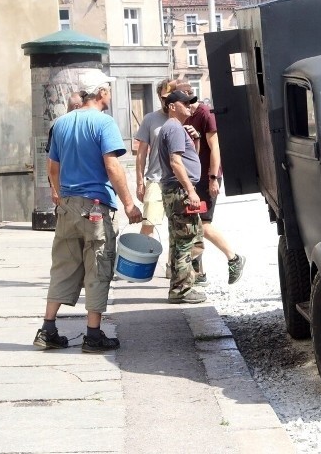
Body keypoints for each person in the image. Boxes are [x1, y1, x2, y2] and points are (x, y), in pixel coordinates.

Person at [33, 69, 142, 353]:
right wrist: (129, 204)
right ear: (101, 92)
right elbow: (112, 166)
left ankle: (48, 329)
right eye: (108, 88)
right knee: (98, 265)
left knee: (63, 266)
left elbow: (52, 167)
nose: (110, 93)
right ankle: (93, 335)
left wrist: (58, 194)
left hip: (67, 206)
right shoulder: (104, 123)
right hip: (94, 206)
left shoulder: (61, 123)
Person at [182, 85, 246, 286]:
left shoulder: (205, 114)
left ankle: (234, 257)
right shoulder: (188, 116)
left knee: (203, 224)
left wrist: (212, 178)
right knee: (194, 223)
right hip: (196, 178)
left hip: (208, 176)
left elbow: (215, 147)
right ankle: (199, 273)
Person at [158, 89, 207, 304]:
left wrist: (194, 141)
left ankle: (183, 285)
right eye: (185, 102)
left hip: (175, 190)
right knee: (186, 240)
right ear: (172, 106)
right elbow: (176, 162)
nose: (189, 105)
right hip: (179, 190)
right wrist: (191, 190)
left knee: (184, 238)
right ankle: (181, 290)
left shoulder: (176, 128)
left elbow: (188, 158)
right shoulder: (174, 128)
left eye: (191, 102)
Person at [134, 78, 174, 237]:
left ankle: (175, 262)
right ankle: (145, 261)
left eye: (170, 97)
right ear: (159, 97)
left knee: (179, 229)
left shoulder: (185, 117)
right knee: (148, 225)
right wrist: (139, 183)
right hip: (156, 180)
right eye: (164, 98)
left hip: (179, 181)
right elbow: (141, 153)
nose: (167, 101)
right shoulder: (150, 119)